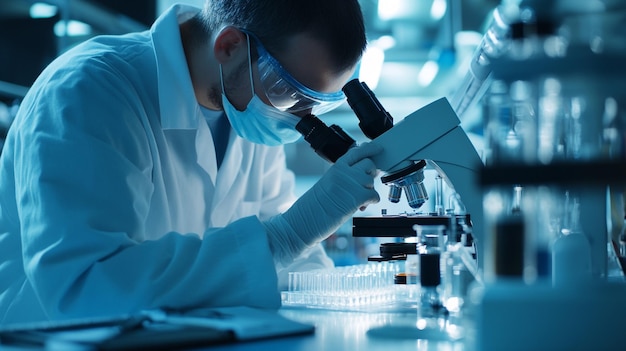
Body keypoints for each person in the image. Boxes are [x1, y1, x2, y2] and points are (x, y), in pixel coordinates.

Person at [0, 0, 382, 324]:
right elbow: (85, 290)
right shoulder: (90, 91)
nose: (302, 118)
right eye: (288, 92)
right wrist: (287, 236)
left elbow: (290, 270)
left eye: (315, 102)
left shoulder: (250, 111)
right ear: (229, 45)